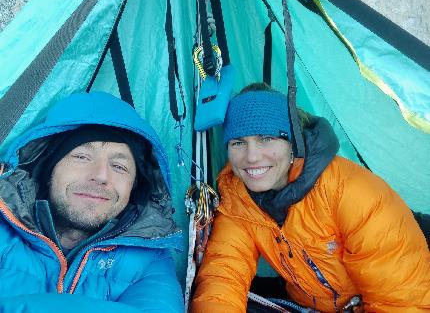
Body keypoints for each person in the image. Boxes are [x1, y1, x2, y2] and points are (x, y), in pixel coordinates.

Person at [191, 83, 430, 312]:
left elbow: (403, 301)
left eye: (266, 138)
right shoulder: (238, 198)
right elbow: (223, 275)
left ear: (292, 143)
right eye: (238, 142)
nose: (251, 157)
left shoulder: (349, 191)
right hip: (312, 304)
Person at [0, 92, 184, 312]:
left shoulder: (150, 261)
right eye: (82, 157)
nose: (101, 176)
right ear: (48, 171)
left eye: (119, 166)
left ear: (134, 186)